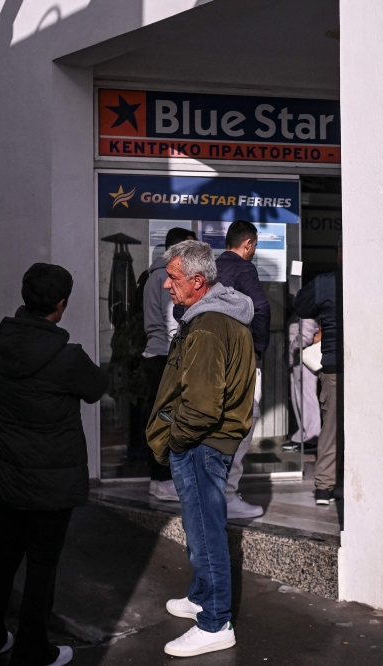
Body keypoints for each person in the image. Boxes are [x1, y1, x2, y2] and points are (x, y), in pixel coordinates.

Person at [0, 264, 109, 666]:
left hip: (1, 474)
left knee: (5, 555)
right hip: (49, 482)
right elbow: (98, 388)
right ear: (60, 305)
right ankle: (32, 649)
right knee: (42, 566)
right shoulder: (67, 358)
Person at [145, 241, 255, 657]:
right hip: (206, 442)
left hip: (201, 444)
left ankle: (214, 622)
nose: (165, 286)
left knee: (205, 532)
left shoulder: (208, 326)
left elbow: (202, 404)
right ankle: (201, 596)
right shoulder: (216, 317)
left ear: (197, 281)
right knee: (200, 529)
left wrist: (176, 440)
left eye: (173, 278)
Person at [214, 220, 271, 519]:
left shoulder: (211, 268)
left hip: (212, 361)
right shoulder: (243, 268)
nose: (253, 251)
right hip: (241, 361)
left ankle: (215, 493)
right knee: (244, 424)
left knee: (217, 424)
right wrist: (258, 347)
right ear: (247, 244)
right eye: (255, 246)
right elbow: (260, 307)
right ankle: (227, 494)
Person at [142, 227, 197, 502]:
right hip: (166, 356)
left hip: (155, 355)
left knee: (159, 418)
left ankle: (158, 480)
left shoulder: (153, 274)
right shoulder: (167, 275)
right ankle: (164, 481)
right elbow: (172, 321)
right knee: (168, 420)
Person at [294, 242, 343, 505]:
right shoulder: (377, 283)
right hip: (371, 367)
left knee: (332, 428)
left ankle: (324, 487)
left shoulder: (325, 282)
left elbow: (301, 307)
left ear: (339, 254)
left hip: (335, 366)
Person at [284, 315, 320, 452]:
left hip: (303, 357)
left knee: (306, 398)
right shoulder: (303, 307)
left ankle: (312, 437)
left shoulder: (307, 307)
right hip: (298, 357)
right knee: (299, 398)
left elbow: (306, 335)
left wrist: (292, 350)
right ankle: (304, 435)